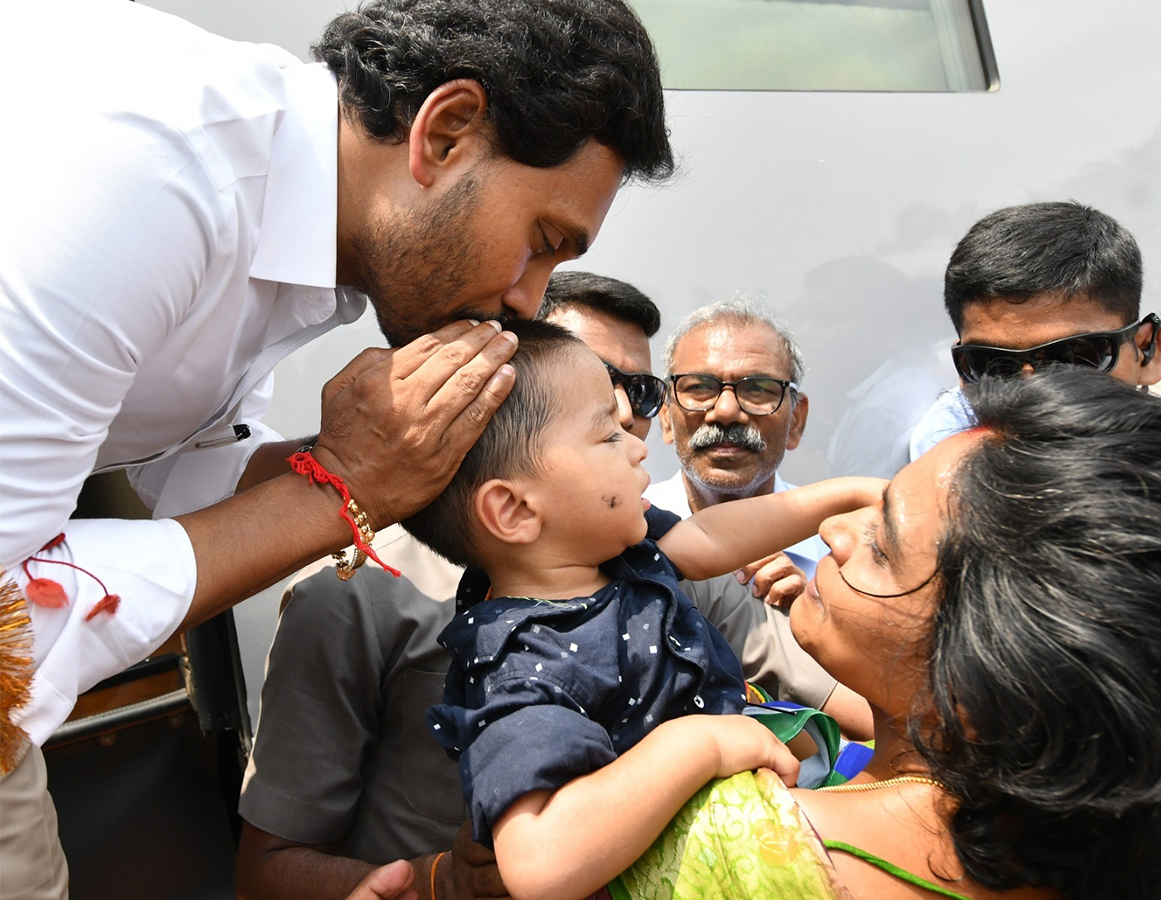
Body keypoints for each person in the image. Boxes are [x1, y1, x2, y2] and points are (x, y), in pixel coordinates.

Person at [0, 0, 671, 895]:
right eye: (542, 242)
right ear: (447, 131)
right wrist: (340, 488)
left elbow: (187, 472)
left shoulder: (311, 233)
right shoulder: (152, 179)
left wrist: (394, 472)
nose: (527, 297)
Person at [236, 273, 845, 900]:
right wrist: (440, 880)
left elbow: (837, 698)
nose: (630, 416)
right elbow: (267, 869)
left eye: (641, 391)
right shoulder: (354, 598)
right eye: (598, 391)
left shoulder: (657, 559)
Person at [482, 367, 1161, 900]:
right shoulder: (1120, 849)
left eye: (882, 545)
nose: (831, 532)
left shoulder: (721, 845)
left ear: (992, 671)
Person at [398, 319, 881, 875]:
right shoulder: (527, 663)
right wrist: (705, 746)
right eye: (607, 435)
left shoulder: (616, 551)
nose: (636, 446)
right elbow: (539, 861)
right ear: (515, 511)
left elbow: (713, 537)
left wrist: (846, 495)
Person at [646, 297, 872, 738]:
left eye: (757, 389)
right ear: (666, 417)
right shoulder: (622, 542)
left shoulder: (857, 556)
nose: (726, 411)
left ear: (797, 421)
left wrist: (817, 624)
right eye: (699, 387)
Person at [909, 201, 1161, 458]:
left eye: (1073, 358)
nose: (1030, 395)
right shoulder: (941, 450)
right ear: (964, 369)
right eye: (991, 364)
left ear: (1147, 351)